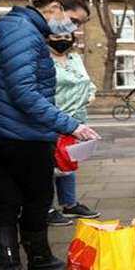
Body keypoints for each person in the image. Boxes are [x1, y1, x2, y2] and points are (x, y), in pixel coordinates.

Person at [0, 0, 100, 270]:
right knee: (26, 200)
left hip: (8, 129)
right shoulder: (23, 33)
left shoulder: (20, 29)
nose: (73, 28)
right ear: (54, 8)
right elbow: (25, 93)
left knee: (21, 199)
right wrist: (71, 126)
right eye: (75, 20)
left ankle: (37, 264)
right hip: (18, 133)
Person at [46, 26, 100, 226]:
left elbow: (87, 82)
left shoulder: (75, 59)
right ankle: (47, 208)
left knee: (69, 162)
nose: (62, 40)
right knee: (50, 165)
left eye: (66, 36)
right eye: (56, 36)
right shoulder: (43, 60)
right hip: (54, 118)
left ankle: (69, 204)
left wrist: (91, 93)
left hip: (77, 120)